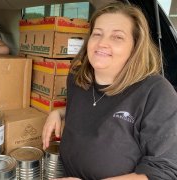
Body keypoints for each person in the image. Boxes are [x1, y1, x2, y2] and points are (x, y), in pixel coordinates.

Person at [42, 2, 177, 180]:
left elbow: (164, 171)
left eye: (117, 37)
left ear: (135, 47)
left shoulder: (156, 92)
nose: (102, 43)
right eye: (97, 34)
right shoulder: (77, 79)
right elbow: (94, 110)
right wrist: (59, 113)